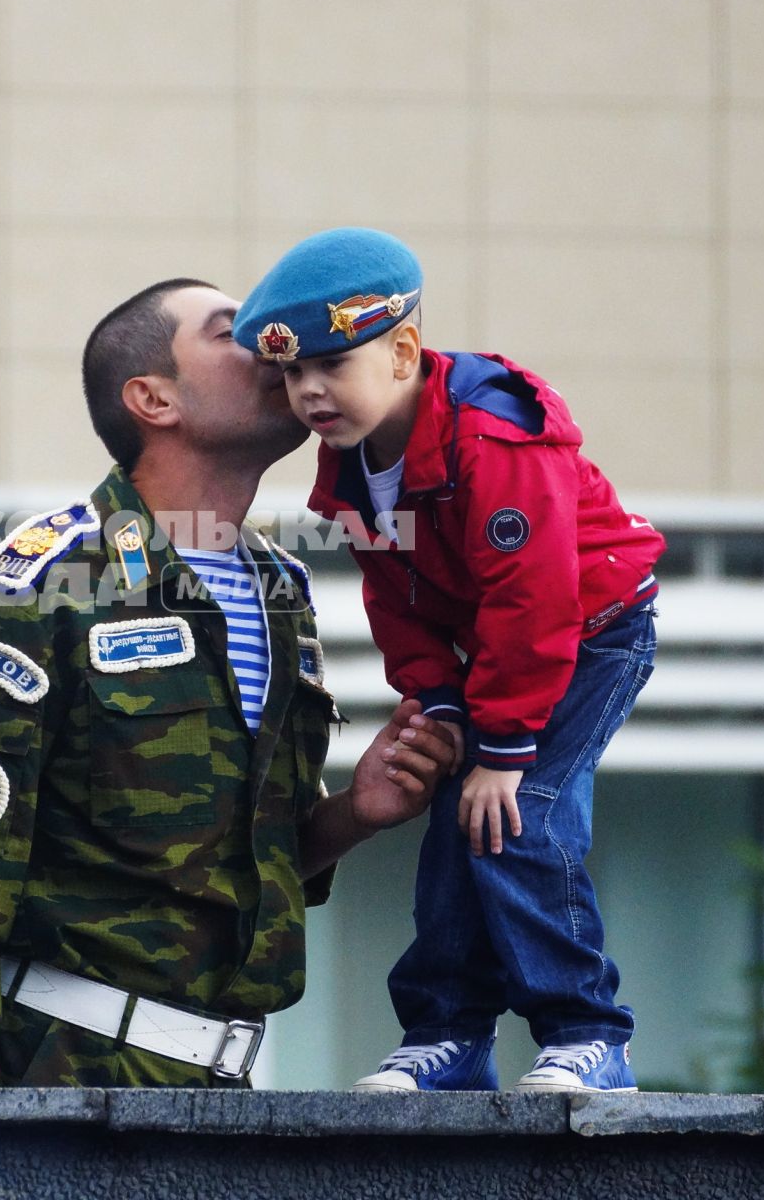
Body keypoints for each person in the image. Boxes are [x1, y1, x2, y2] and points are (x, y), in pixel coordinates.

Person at [0, 279, 459, 1088]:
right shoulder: (42, 582)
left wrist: (355, 815)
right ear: (153, 399)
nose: (274, 341)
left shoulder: (278, 586)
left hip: (221, 1090)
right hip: (61, 1074)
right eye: (234, 332)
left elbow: (241, 863)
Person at [235, 227, 664, 1094]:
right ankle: (450, 1038)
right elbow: (396, 599)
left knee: (522, 813)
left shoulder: (493, 434)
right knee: (455, 827)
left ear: (401, 352)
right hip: (497, 655)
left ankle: (589, 1032)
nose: (309, 391)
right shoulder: (353, 463)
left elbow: (536, 600)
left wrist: (501, 748)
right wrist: (435, 699)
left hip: (589, 631)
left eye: (333, 365)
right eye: (291, 374)